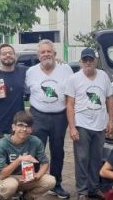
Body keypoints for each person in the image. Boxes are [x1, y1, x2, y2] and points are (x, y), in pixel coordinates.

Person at [25, 39, 73, 198]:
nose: (46, 54)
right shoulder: (31, 71)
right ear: (38, 56)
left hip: (60, 117)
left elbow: (73, 93)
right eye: (42, 52)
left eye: (49, 51)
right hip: (37, 115)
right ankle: (32, 184)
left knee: (58, 151)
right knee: (35, 149)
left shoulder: (65, 69)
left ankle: (56, 184)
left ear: (55, 53)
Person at [66, 48, 113, 200]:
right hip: (82, 124)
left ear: (96, 61)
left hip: (100, 124)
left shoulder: (104, 76)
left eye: (91, 59)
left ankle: (94, 188)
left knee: (96, 158)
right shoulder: (73, 79)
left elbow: (110, 99)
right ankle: (82, 191)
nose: (88, 62)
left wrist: (110, 120)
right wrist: (72, 127)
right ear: (81, 62)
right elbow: (70, 105)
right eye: (85, 60)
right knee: (82, 158)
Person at [0, 110, 56, 200]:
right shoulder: (3, 143)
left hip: (28, 177)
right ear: (13, 127)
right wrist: (19, 160)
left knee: (50, 181)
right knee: (10, 186)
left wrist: (37, 176)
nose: (24, 129)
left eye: (27, 126)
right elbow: (1, 175)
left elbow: (45, 163)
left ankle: (26, 198)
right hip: (9, 178)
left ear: (31, 129)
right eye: (20, 125)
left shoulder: (35, 141)